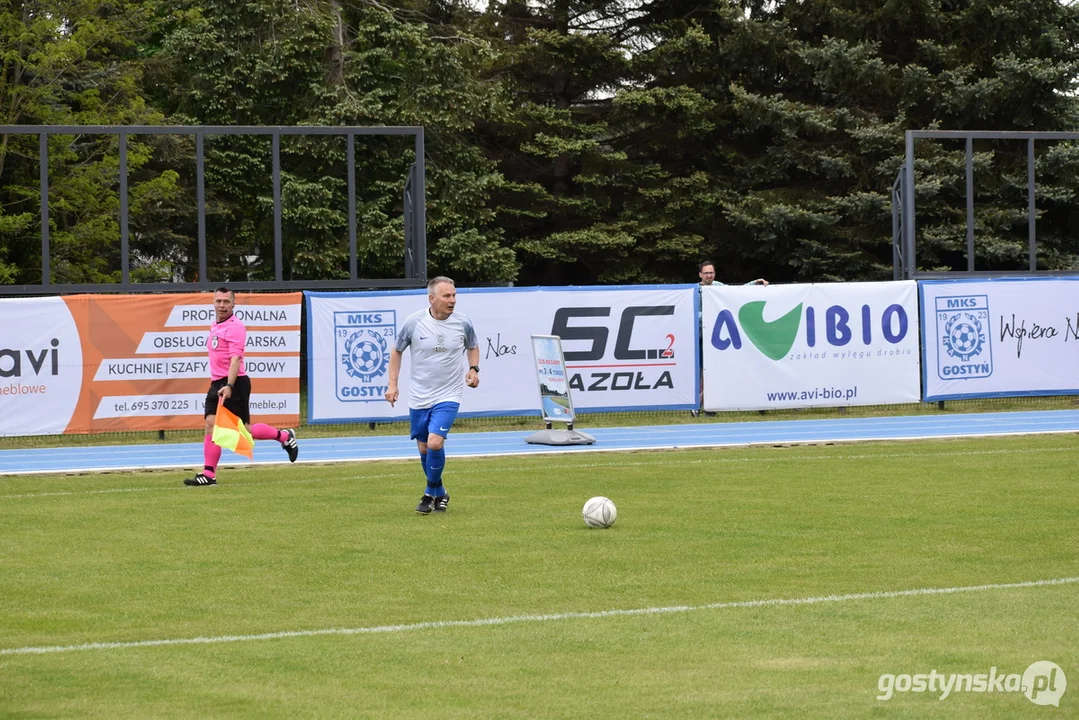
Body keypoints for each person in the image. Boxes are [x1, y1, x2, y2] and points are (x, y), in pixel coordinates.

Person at [185, 286, 298, 486]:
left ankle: (284, 436)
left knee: (245, 430)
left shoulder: (236, 327)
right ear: (213, 302)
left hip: (234, 383)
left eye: (226, 302)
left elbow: (235, 359)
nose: (222, 305)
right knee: (211, 425)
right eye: (218, 301)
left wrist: (229, 385)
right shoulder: (215, 325)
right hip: (217, 382)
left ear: (233, 304)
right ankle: (209, 474)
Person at [385, 276, 480, 514]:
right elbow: (396, 351)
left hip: (449, 393)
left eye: (454, 295)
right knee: (424, 449)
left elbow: (473, 346)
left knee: (435, 442)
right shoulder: (414, 322)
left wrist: (473, 369)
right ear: (432, 298)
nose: (452, 300)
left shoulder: (463, 322)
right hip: (419, 395)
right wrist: (392, 385)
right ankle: (441, 492)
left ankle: (428, 494)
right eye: (447, 296)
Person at [693, 261, 768, 417]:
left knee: (716, 369)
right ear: (700, 274)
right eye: (706, 273)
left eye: (711, 272)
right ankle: (701, 404)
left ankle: (702, 404)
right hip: (701, 336)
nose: (709, 276)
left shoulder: (718, 287)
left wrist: (755, 283)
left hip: (720, 337)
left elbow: (736, 291)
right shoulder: (695, 291)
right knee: (704, 371)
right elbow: (694, 314)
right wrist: (707, 315)